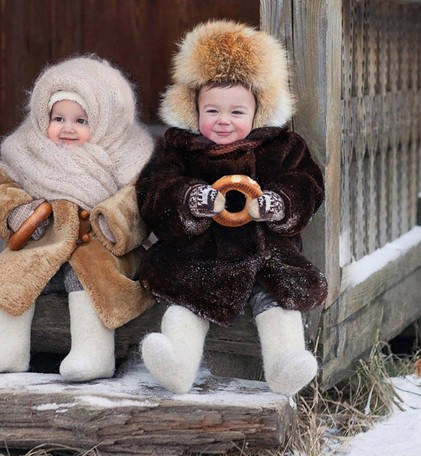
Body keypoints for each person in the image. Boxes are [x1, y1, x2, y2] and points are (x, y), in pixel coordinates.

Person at [135, 20, 328, 396]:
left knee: (279, 303)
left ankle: (284, 365)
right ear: (193, 108)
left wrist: (279, 204)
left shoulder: (283, 148)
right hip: (196, 257)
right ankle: (177, 364)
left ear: (259, 110)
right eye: (212, 111)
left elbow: (306, 185)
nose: (223, 121)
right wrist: (190, 199)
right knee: (184, 302)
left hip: (265, 255)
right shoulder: (178, 149)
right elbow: (154, 190)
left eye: (236, 113)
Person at [0, 55, 155, 381]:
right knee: (10, 271)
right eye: (59, 118)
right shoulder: (25, 150)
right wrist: (19, 212)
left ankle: (93, 353)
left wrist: (112, 221)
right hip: (46, 240)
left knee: (86, 275)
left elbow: (138, 202)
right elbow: (4, 188)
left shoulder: (130, 155)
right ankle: (7, 347)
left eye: (81, 121)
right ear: (44, 116)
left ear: (103, 121)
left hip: (99, 245)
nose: (67, 128)